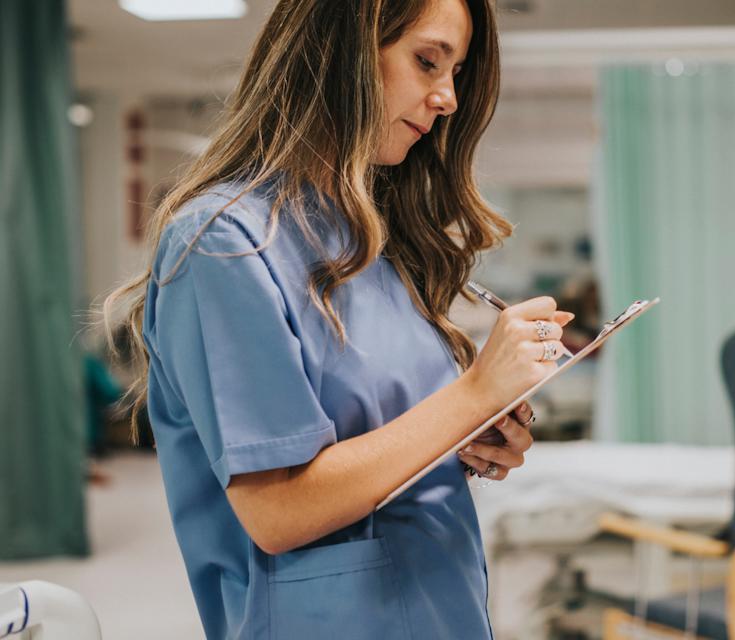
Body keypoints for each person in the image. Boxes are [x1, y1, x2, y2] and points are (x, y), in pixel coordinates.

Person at [105, 0, 574, 638]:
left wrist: (472, 436)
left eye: (456, 73)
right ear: (342, 52)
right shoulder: (222, 242)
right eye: (427, 61)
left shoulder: (372, 240)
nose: (447, 100)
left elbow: (385, 441)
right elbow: (279, 511)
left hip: (441, 607)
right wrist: (473, 392)